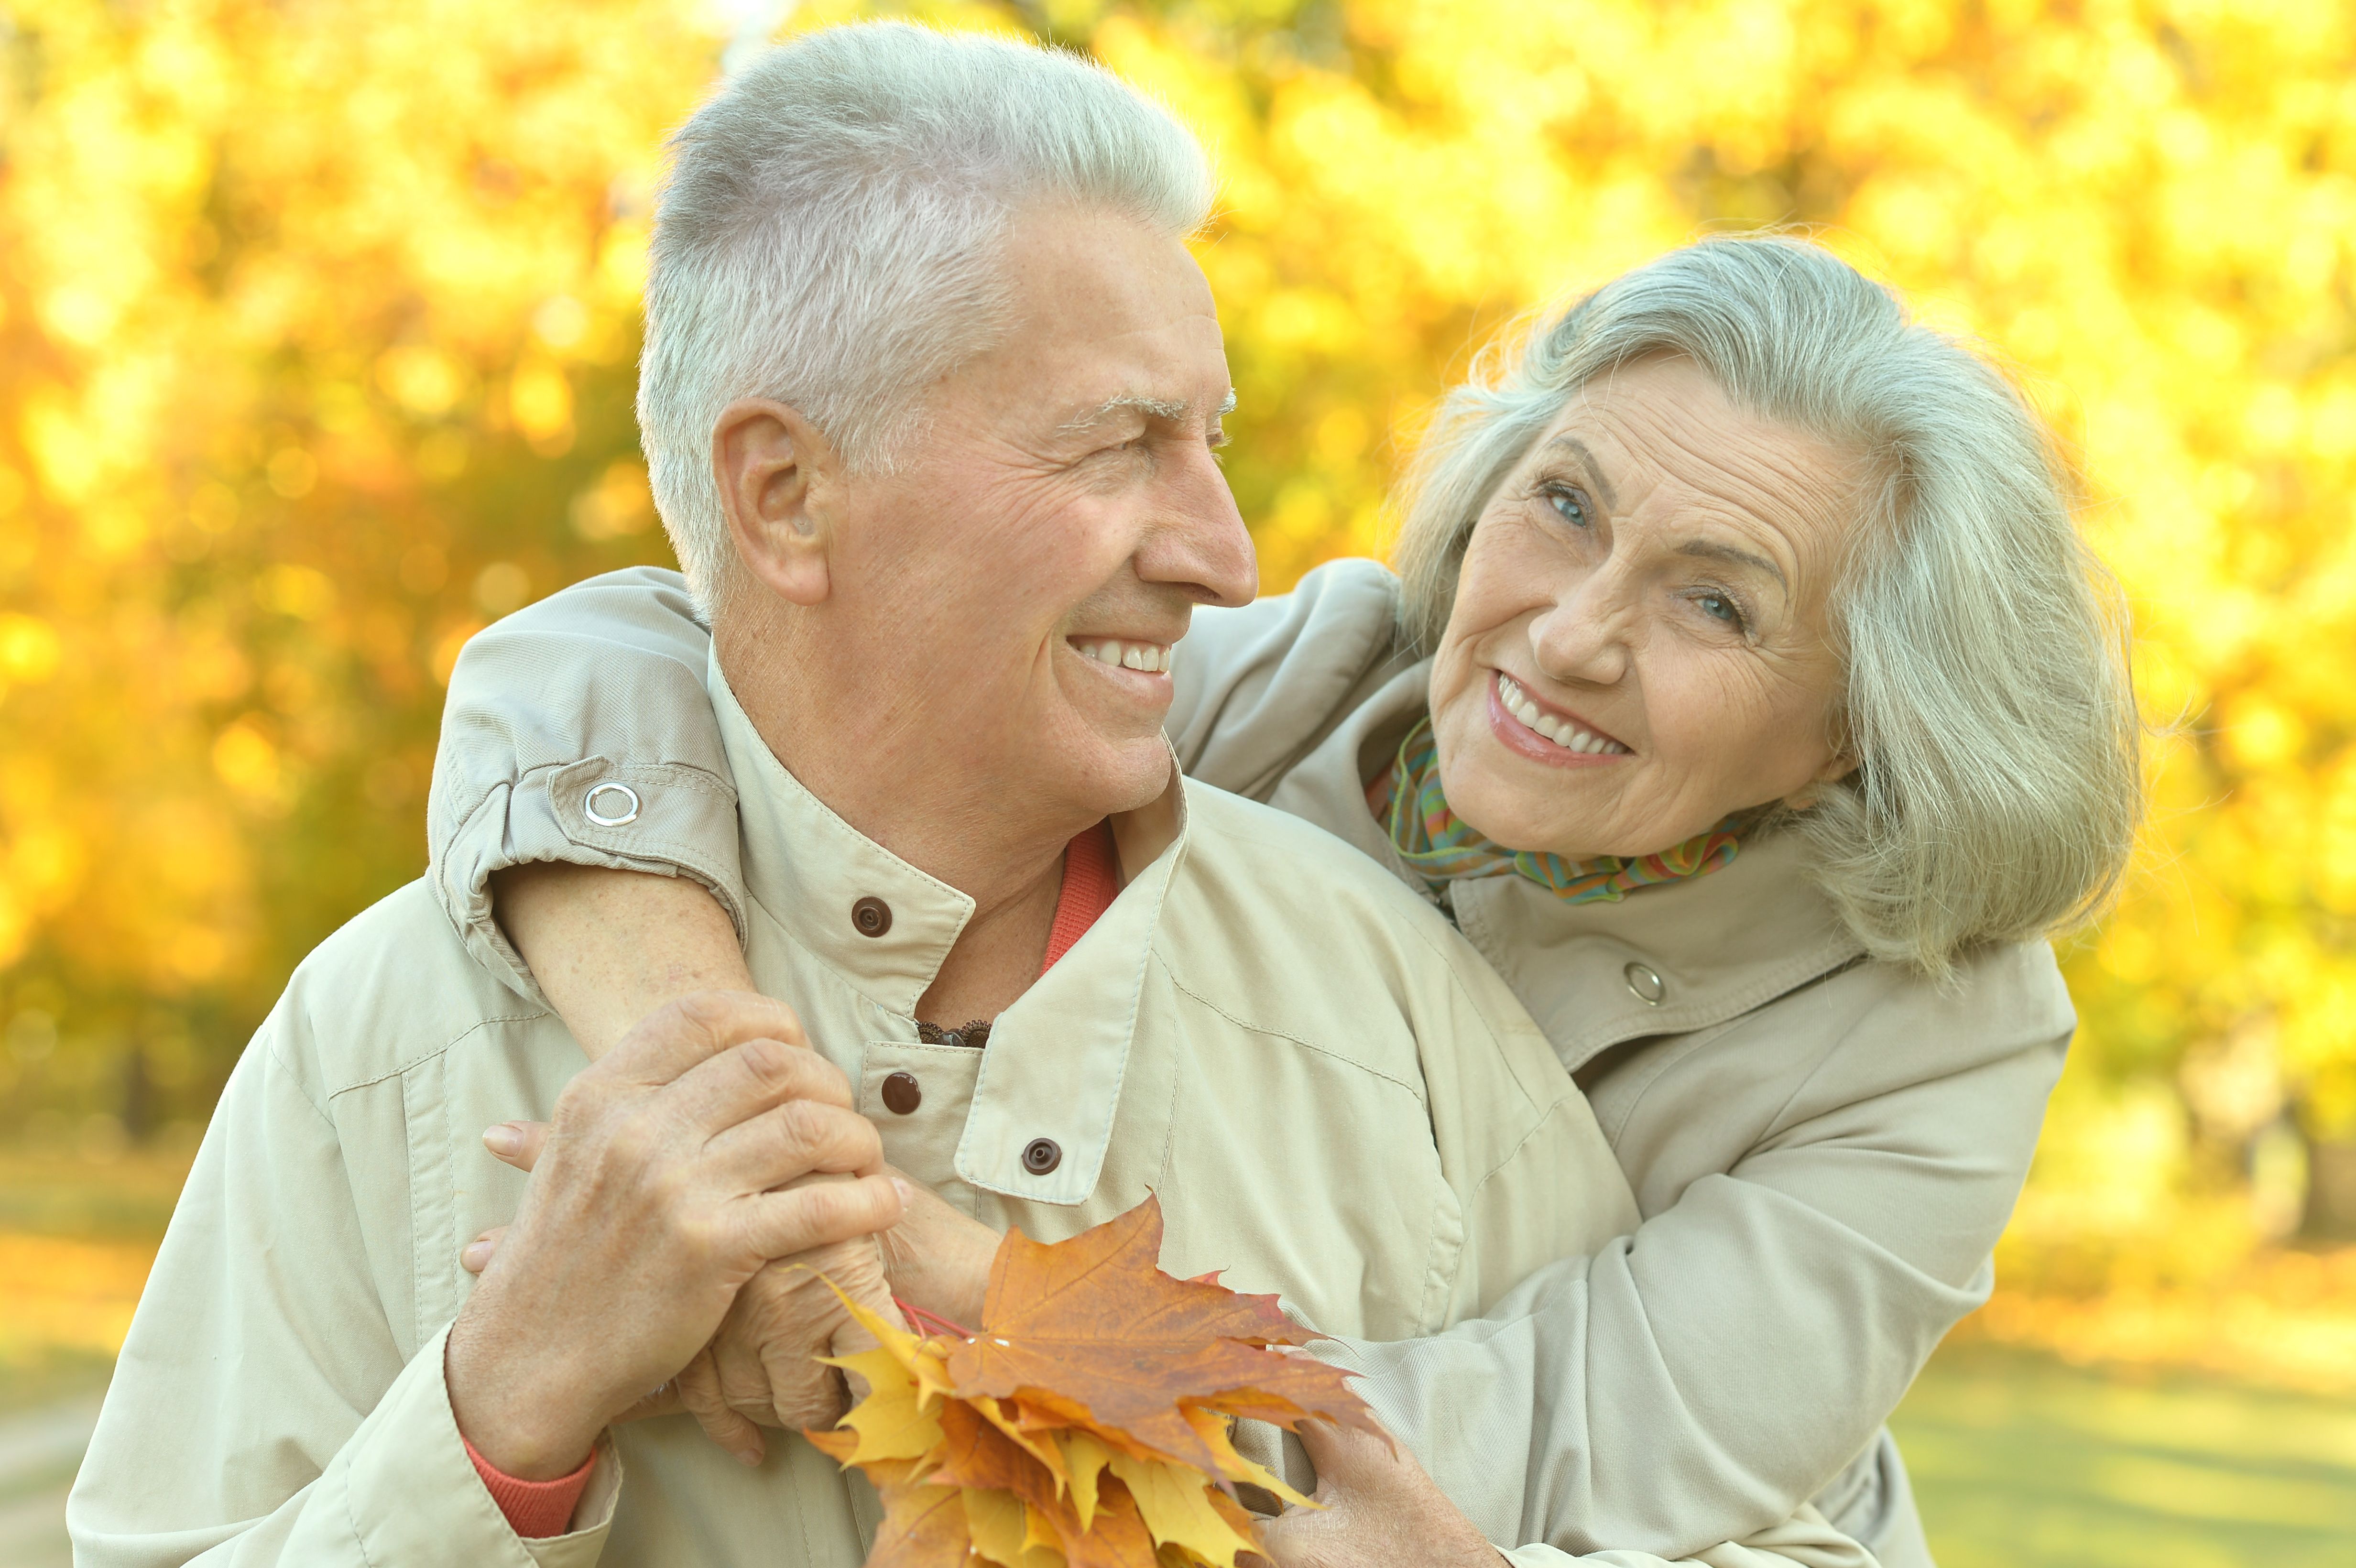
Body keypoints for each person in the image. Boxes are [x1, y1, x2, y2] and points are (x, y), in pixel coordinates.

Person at [67, 25, 1873, 1568]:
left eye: (1212, 443)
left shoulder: (1387, 1012)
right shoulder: (387, 1046)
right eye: (1119, 448)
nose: (1228, 555)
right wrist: (500, 1411)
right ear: (783, 496)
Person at [424, 234, 2143, 1568]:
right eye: (1564, 507)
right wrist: (710, 1109)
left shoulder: (1936, 1040)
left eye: (1716, 605)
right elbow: (621, 651)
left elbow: (1560, 1447)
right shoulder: (1295, 688)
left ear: (1853, 725)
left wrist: (885, 1257)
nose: (1568, 633)